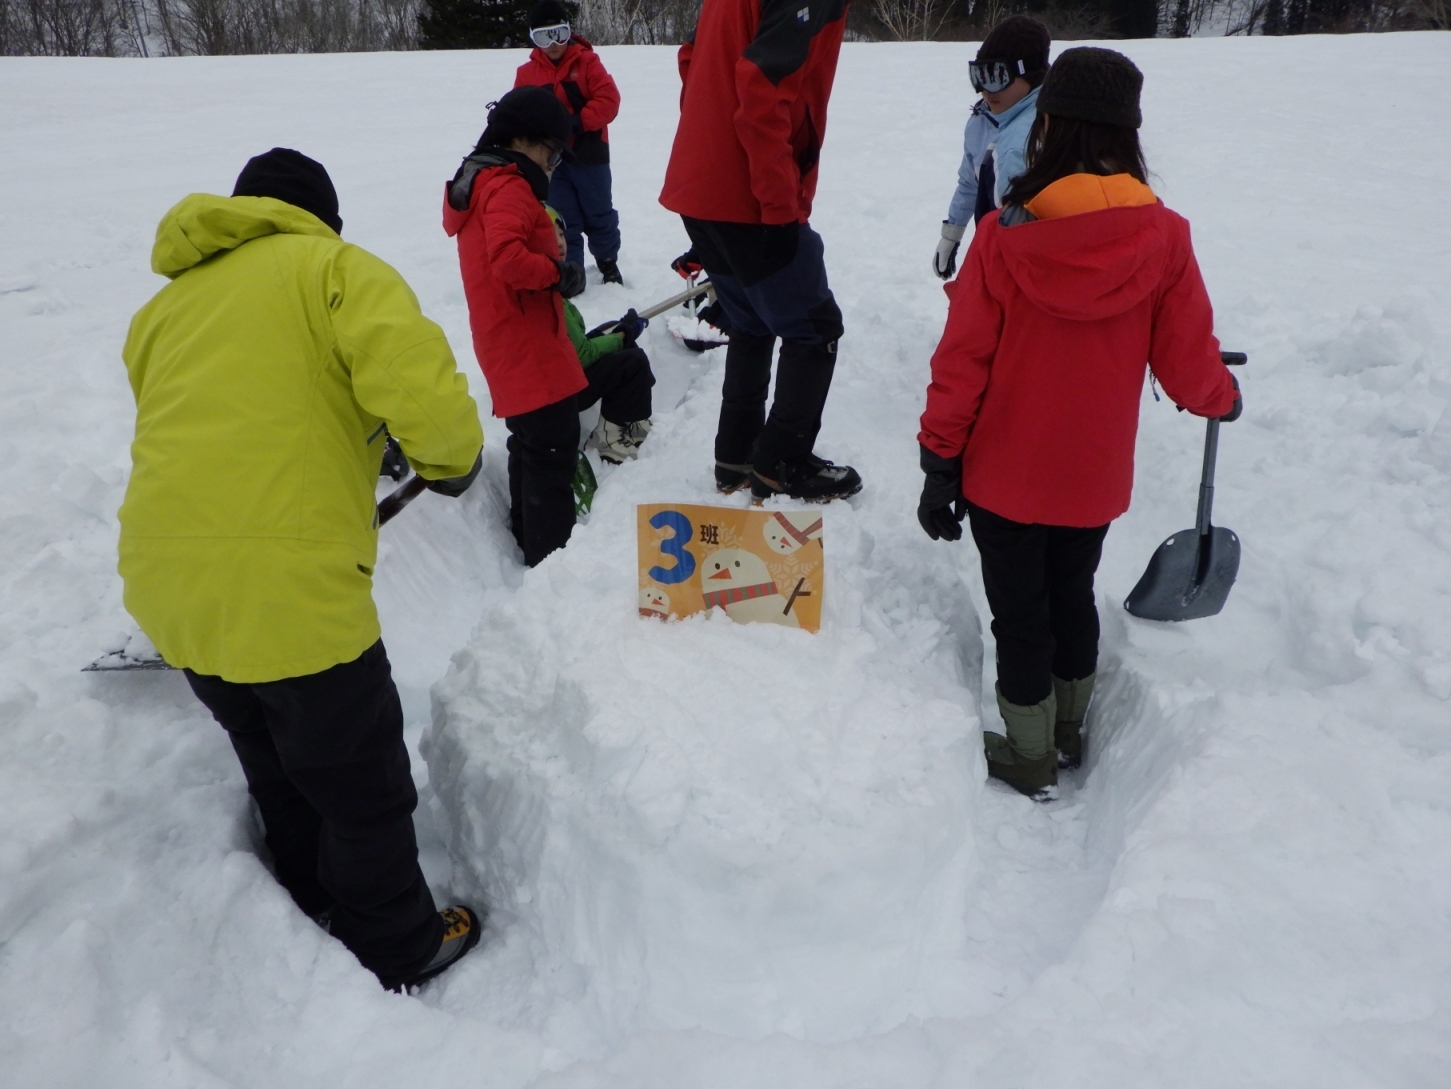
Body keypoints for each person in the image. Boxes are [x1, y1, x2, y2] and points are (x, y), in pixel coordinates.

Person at [118, 148, 486, 991]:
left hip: (167, 584)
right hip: (286, 587)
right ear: (321, 218)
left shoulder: (161, 310)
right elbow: (421, 393)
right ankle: (397, 942)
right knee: (361, 784)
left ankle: (308, 892)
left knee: (273, 756)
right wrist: (452, 460)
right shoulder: (332, 269)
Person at [916, 49, 1243, 800]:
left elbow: (961, 362)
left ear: (1048, 125)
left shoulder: (1002, 237)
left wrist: (938, 460)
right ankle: (1068, 728)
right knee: (1071, 594)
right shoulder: (1165, 238)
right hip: (1092, 477)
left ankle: (1028, 752)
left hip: (1003, 475)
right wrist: (1220, 396)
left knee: (1019, 616)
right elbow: (1186, 360)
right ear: (1129, 133)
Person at [659, 0, 860, 502]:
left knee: (750, 320)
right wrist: (779, 206)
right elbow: (762, 85)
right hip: (748, 194)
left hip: (703, 188)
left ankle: (737, 457)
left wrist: (707, 153)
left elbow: (691, 58)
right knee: (815, 328)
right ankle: (783, 463)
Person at [444, 86, 590, 567]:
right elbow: (508, 259)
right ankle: (552, 559)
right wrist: (558, 274)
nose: (553, 166)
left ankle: (530, 540)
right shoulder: (506, 186)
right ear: (522, 140)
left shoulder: (484, 184)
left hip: (509, 342)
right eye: (552, 153)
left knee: (531, 445)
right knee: (551, 449)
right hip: (529, 346)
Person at [932, 15, 1051, 281]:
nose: (986, 91)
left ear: (1029, 74)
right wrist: (952, 234)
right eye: (980, 76)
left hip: (1023, 267)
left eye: (997, 76)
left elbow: (1027, 229)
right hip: (995, 253)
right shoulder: (984, 120)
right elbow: (969, 182)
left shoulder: (1038, 133)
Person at [516, 0, 624, 286]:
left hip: (590, 152)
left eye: (559, 35)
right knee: (563, 216)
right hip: (551, 159)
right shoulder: (527, 73)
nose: (553, 44)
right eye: (544, 37)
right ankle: (572, 271)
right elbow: (520, 110)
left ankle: (607, 261)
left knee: (599, 212)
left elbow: (609, 100)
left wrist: (578, 121)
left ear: (568, 32)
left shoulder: (587, 62)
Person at [544, 207, 656, 463]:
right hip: (561, 392)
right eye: (550, 236)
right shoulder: (548, 295)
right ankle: (610, 437)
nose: (560, 243)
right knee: (632, 362)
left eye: (561, 234)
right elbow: (582, 355)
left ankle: (634, 419)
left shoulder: (551, 285)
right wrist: (621, 336)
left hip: (562, 377)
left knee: (616, 333)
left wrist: (618, 333)